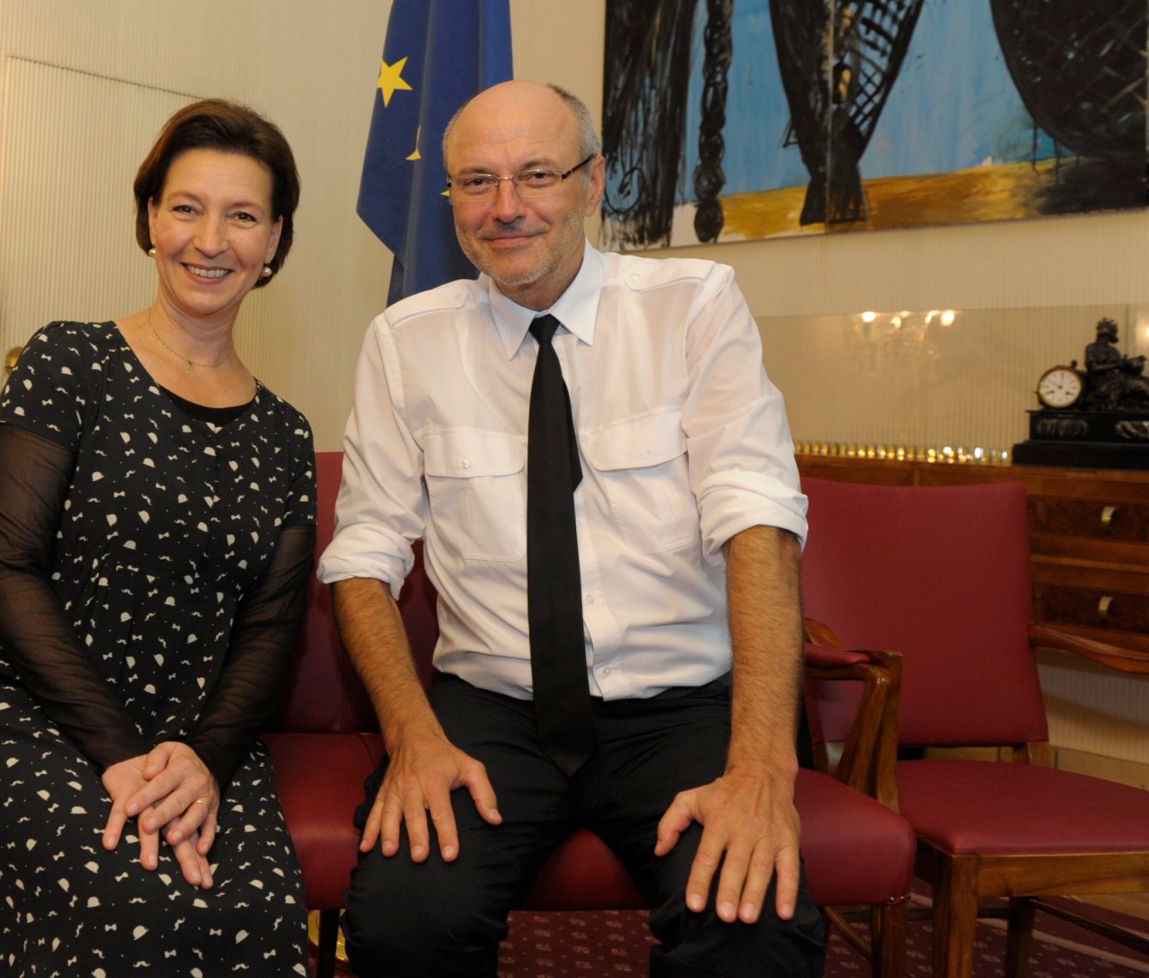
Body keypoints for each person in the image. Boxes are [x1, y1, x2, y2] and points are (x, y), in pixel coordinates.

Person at [318, 80, 826, 977]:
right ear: (449, 201)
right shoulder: (405, 342)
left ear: (593, 182)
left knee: (753, 934)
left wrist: (762, 768)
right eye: (476, 182)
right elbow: (364, 555)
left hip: (677, 710)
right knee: (404, 922)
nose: (505, 208)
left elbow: (759, 523)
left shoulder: (695, 307)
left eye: (536, 175)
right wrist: (413, 737)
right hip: (491, 715)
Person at [0, 99, 317, 977]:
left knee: (254, 912)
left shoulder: (285, 434)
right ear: (149, 220)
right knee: (127, 899)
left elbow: (273, 628)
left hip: (191, 735)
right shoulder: (69, 361)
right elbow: (6, 566)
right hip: (14, 706)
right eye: (186, 207)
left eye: (242, 216)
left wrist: (202, 760)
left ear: (275, 240)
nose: (211, 240)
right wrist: (119, 758)